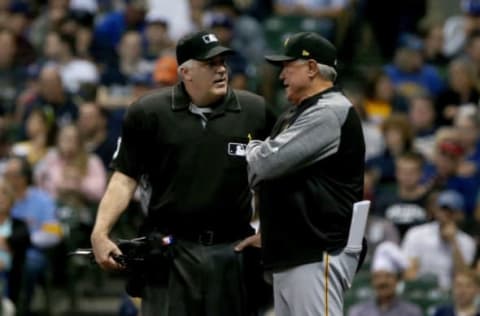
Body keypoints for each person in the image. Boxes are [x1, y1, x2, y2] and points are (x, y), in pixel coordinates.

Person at [90, 30, 275, 316]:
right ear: (186, 72)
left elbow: (275, 177)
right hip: (169, 250)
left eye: (223, 62)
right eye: (210, 64)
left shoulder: (255, 111)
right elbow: (124, 178)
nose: (221, 69)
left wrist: (270, 230)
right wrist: (100, 232)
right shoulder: (148, 112)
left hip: (232, 249)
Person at [242, 31, 365, 316]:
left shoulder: (329, 111)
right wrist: (271, 232)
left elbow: (264, 165)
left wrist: (252, 147)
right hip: (296, 250)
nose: (281, 74)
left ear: (311, 68)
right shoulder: (298, 112)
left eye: (288, 66)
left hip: (317, 251)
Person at [347, 241, 423, 316]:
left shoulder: (411, 313)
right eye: (377, 277)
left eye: (388, 276)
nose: (382, 281)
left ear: (397, 280)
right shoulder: (358, 312)